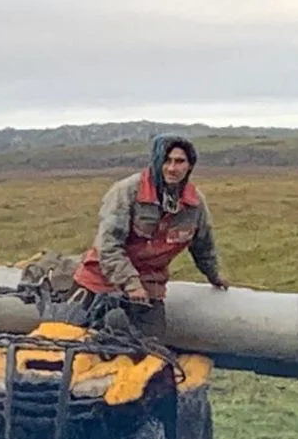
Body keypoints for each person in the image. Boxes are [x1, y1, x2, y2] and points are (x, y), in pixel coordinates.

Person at [72, 134, 228, 338]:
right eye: (167, 160)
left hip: (150, 282)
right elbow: (108, 246)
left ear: (190, 166)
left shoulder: (195, 204)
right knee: (74, 338)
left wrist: (214, 276)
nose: (172, 168)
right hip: (100, 277)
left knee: (152, 347)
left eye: (180, 161)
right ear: (157, 161)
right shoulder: (126, 191)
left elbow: (203, 246)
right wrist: (131, 285)